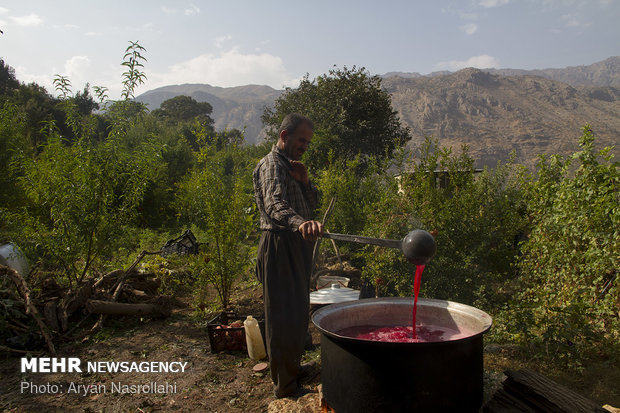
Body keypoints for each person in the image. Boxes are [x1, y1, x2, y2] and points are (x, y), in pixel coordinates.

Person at [253, 113, 323, 398]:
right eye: (301, 140)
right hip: (279, 244)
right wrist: (300, 223)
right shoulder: (271, 164)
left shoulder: (292, 166)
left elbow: (313, 202)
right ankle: (285, 386)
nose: (305, 146)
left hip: (296, 244)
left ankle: (291, 368)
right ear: (284, 136)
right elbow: (274, 204)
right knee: (282, 316)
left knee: (296, 311)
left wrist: (305, 181)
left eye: (307, 142)